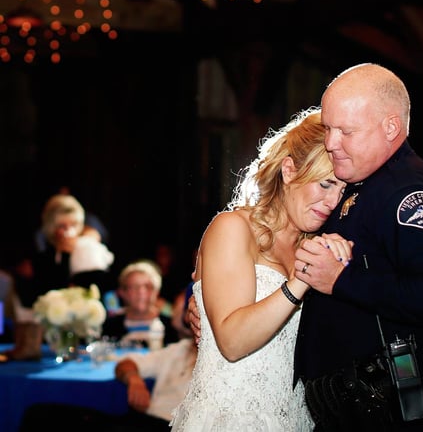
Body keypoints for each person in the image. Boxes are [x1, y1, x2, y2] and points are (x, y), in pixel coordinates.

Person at [291, 63, 423, 431]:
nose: (331, 143)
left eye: (346, 131)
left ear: (391, 127)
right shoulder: (359, 179)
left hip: (394, 413)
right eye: (328, 128)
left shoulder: (409, 193)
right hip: (353, 411)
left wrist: (343, 280)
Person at [170, 108, 350, 431]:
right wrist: (298, 283)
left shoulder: (319, 249)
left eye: (341, 190)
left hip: (295, 421)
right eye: (325, 184)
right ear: (289, 170)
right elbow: (232, 342)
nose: (332, 201)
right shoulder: (233, 228)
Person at [18, 336, 198, 432]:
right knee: (41, 414)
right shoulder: (180, 349)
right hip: (141, 420)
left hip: (170, 426)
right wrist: (134, 379)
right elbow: (126, 363)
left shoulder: (223, 357)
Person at [32, 193, 105, 295]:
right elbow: (53, 291)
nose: (69, 231)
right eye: (62, 226)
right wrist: (65, 255)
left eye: (73, 224)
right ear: (52, 228)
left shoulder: (88, 252)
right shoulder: (44, 258)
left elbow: (96, 289)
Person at [101, 260, 179, 347]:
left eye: (148, 286)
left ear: (157, 292)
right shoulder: (110, 327)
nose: (141, 291)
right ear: (122, 292)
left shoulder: (171, 326)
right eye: (134, 287)